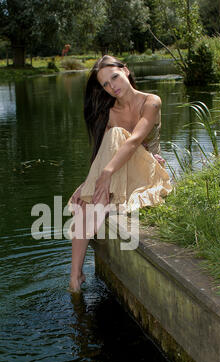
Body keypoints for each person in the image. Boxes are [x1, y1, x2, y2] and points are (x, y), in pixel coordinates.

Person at [67, 55, 172, 293]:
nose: (112, 86)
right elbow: (105, 153)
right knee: (90, 196)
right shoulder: (110, 112)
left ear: (125, 70)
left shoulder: (151, 101)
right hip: (120, 171)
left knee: (116, 137)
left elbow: (135, 140)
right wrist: (89, 182)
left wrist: (103, 175)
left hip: (149, 172)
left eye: (114, 77)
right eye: (105, 84)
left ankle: (76, 275)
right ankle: (75, 276)